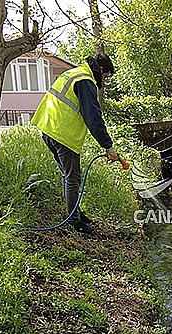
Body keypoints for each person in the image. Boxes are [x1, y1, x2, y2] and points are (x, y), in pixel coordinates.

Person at [31, 53, 119, 234]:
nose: (104, 80)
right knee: (72, 178)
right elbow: (93, 117)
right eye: (105, 76)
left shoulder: (74, 73)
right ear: (101, 70)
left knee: (66, 175)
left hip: (48, 128)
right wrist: (108, 146)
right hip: (63, 134)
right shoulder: (85, 81)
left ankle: (75, 211)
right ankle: (74, 222)